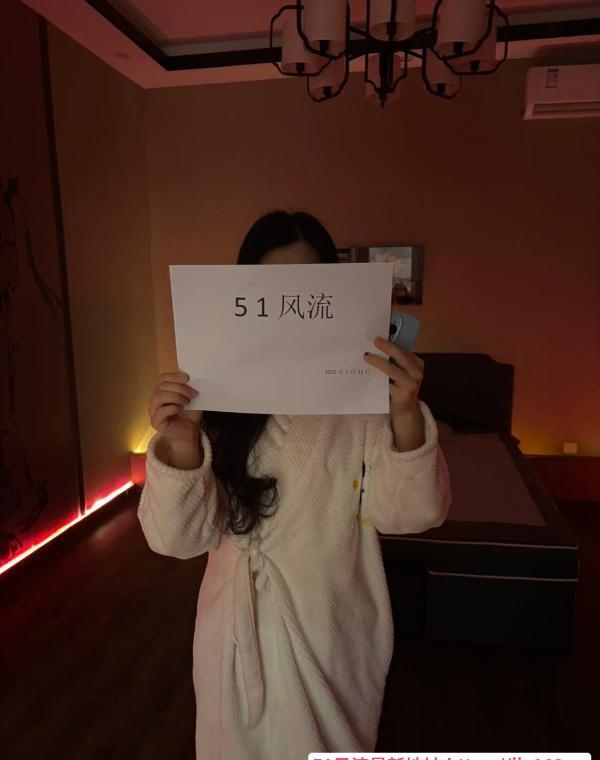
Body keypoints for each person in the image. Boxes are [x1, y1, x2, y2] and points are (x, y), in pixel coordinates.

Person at [137, 209, 452, 760]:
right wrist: (183, 443)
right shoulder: (215, 402)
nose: (289, 312)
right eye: (271, 295)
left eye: (307, 294)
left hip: (330, 634)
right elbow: (176, 539)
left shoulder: (361, 405)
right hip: (233, 642)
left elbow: (412, 513)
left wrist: (403, 413)